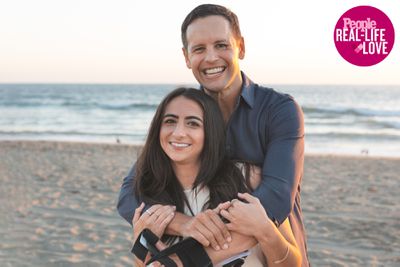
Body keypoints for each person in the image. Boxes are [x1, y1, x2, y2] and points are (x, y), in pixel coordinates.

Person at [118, 4, 309, 266]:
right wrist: (185, 224)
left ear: (240, 47)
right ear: (186, 57)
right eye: (199, 49)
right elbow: (130, 195)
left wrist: (185, 255)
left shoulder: (280, 110)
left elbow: (275, 199)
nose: (210, 58)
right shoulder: (184, 116)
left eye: (221, 45)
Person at [130, 87, 301, 266]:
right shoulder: (153, 202)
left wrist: (266, 231)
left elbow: (293, 263)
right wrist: (139, 245)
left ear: (210, 132)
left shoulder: (248, 179)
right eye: (170, 121)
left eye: (193, 123)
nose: (179, 132)